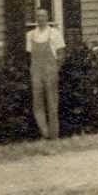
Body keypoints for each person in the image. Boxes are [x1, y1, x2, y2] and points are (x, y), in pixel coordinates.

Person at [26, 7, 66, 139]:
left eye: (43, 16)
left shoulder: (54, 33)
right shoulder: (30, 35)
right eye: (38, 16)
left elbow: (61, 55)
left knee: (52, 103)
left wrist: (55, 70)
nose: (40, 18)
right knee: (37, 103)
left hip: (50, 71)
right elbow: (30, 56)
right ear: (35, 18)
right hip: (36, 71)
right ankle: (44, 133)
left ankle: (54, 135)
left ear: (47, 17)